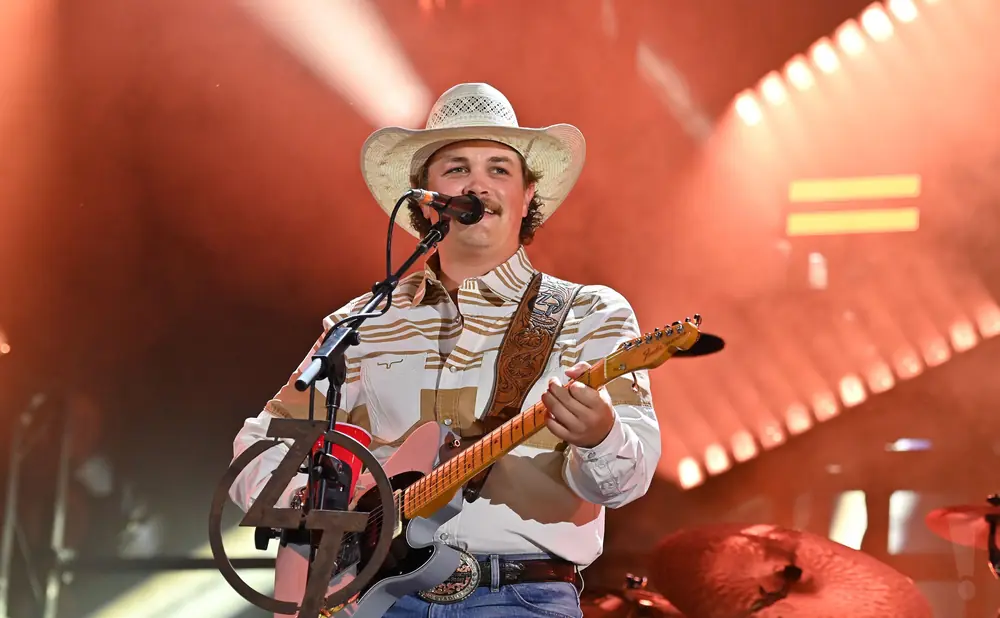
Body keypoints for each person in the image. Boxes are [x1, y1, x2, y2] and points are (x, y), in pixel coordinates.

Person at [229, 83, 661, 618]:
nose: (478, 183)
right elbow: (262, 442)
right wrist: (308, 506)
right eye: (457, 169)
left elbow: (626, 481)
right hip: (373, 600)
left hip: (519, 598)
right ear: (427, 198)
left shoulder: (587, 313)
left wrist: (599, 436)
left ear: (528, 196)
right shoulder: (364, 320)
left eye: (499, 169)